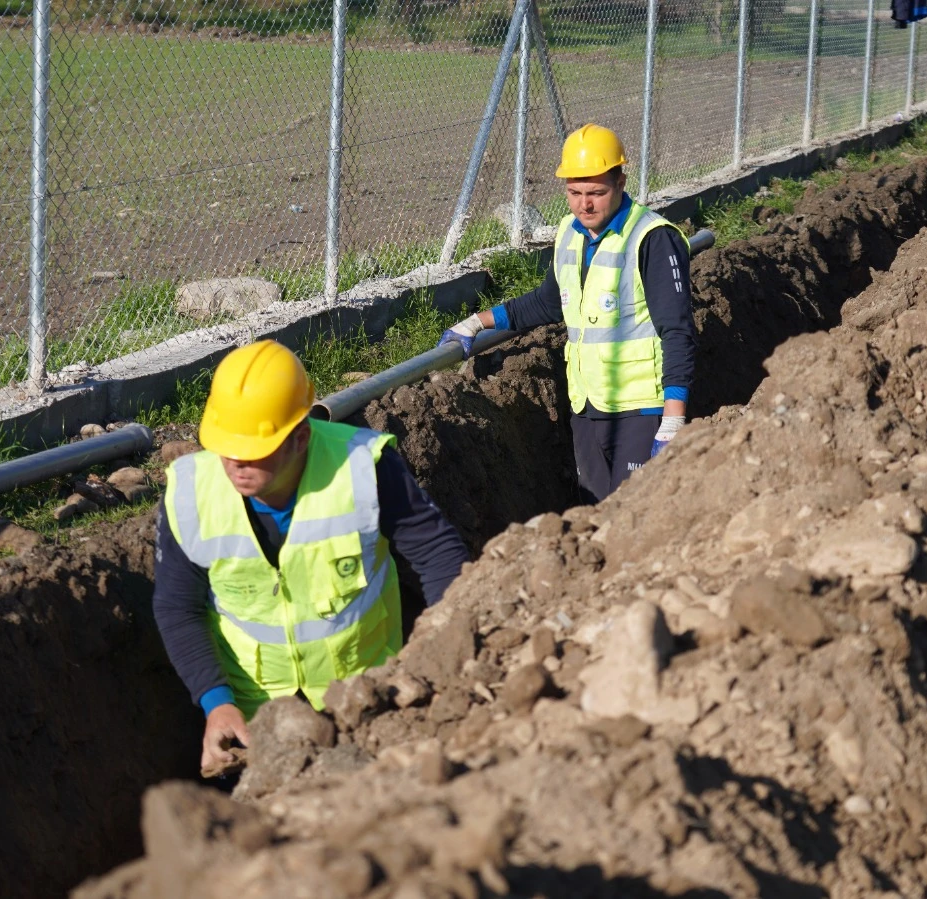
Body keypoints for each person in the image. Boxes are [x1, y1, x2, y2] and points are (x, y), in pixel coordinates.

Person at [152, 340, 469, 773]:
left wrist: (446, 650)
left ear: (300, 437)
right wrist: (216, 703)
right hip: (256, 724)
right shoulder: (191, 494)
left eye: (253, 448)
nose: (236, 462)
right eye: (227, 446)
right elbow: (176, 606)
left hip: (367, 704)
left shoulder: (363, 468)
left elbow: (436, 554)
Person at [440, 123, 696, 504]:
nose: (584, 204)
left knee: (633, 517)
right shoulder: (570, 234)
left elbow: (677, 331)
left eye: (596, 192)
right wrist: (478, 322)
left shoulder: (652, 238)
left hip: (641, 410)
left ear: (621, 182)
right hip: (587, 406)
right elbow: (549, 301)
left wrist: (673, 420)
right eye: (575, 193)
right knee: (594, 514)